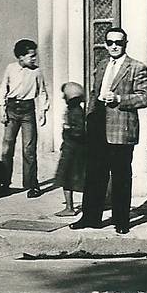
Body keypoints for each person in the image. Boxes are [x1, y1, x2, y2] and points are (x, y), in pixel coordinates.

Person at [71, 27, 147, 235]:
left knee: (121, 176)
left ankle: (121, 221)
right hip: (98, 127)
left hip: (121, 130)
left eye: (119, 42)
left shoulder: (136, 67)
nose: (114, 46)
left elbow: (145, 97)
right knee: (95, 174)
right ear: (106, 44)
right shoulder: (102, 64)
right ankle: (90, 218)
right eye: (110, 42)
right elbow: (94, 92)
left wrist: (120, 100)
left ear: (125, 44)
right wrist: (89, 116)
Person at [0, 38, 50, 198]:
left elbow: (42, 92)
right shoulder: (10, 69)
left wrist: (42, 112)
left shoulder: (37, 72)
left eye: (35, 56)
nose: (34, 59)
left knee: (29, 150)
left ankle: (32, 185)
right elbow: (3, 89)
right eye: (31, 56)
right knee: (7, 149)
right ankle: (4, 183)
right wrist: (1, 108)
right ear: (21, 57)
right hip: (12, 109)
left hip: (28, 110)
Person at [54, 82, 87, 217]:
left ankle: (69, 208)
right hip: (72, 148)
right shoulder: (75, 110)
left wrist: (68, 128)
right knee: (70, 177)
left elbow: (79, 131)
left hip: (73, 149)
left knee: (68, 177)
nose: (63, 97)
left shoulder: (75, 111)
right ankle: (71, 206)